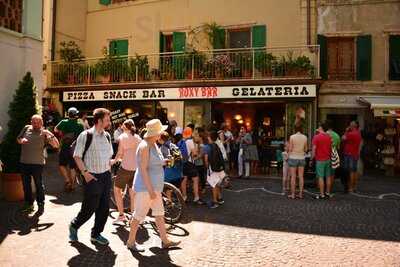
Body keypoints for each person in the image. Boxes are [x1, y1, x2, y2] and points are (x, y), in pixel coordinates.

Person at [126, 119, 180, 251]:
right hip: (146, 188)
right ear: (155, 133)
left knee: (159, 214)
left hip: (154, 188)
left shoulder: (153, 144)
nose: (162, 133)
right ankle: (131, 242)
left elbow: (154, 162)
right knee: (138, 215)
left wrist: (164, 161)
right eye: (160, 131)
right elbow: (143, 169)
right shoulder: (145, 146)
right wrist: (150, 189)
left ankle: (165, 241)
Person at [69, 108, 114, 245]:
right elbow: (77, 156)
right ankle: (74, 225)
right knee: (90, 208)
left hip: (106, 175)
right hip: (92, 176)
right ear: (99, 120)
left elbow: (109, 154)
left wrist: (111, 164)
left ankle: (96, 234)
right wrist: (85, 173)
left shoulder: (107, 135)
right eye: (107, 119)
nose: (109, 122)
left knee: (104, 208)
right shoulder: (85, 135)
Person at [17, 115, 59, 213]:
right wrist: (21, 141)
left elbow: (56, 145)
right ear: (31, 122)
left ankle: (41, 202)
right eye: (33, 122)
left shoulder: (44, 132)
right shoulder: (26, 128)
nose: (35, 124)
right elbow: (18, 138)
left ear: (42, 123)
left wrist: (49, 134)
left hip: (37, 163)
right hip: (24, 162)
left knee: (38, 183)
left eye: (37, 122)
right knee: (26, 184)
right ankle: (29, 203)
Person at [111, 119, 142, 224]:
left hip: (125, 168)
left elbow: (120, 153)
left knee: (116, 189)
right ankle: (134, 217)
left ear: (124, 127)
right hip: (136, 169)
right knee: (133, 193)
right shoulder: (138, 138)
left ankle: (121, 215)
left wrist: (114, 161)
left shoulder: (122, 137)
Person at [55, 107, 84, 192]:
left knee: (62, 164)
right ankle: (73, 185)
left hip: (65, 146)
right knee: (73, 167)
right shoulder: (80, 124)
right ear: (76, 115)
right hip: (75, 147)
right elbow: (82, 137)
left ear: (68, 114)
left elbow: (55, 129)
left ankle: (67, 181)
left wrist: (61, 132)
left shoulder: (64, 122)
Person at [179, 127, 203, 204]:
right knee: (195, 180)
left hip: (183, 163)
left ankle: (184, 196)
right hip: (190, 163)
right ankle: (196, 197)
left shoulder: (181, 141)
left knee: (184, 180)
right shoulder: (190, 141)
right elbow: (195, 153)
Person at [204, 131, 226, 209]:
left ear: (209, 137)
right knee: (217, 183)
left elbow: (206, 160)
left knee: (213, 185)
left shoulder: (208, 147)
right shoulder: (217, 145)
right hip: (218, 168)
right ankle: (220, 198)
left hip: (212, 168)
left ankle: (215, 201)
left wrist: (207, 168)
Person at [311, 122, 333, 199]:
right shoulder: (329, 137)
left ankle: (321, 194)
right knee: (328, 176)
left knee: (320, 177)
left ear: (321, 128)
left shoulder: (316, 137)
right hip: (328, 159)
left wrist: (311, 158)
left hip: (320, 159)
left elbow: (314, 149)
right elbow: (331, 148)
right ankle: (328, 192)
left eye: (319, 126)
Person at [288, 125, 308, 199]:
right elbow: (306, 149)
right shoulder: (305, 137)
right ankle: (300, 194)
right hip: (301, 158)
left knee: (293, 176)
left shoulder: (292, 137)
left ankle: (293, 194)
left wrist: (288, 156)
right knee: (301, 177)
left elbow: (290, 149)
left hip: (293, 157)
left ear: (295, 129)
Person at [342, 121, 362, 193]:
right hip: (355, 154)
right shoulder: (358, 133)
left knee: (350, 171)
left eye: (351, 124)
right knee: (354, 171)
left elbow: (343, 138)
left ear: (353, 126)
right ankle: (354, 187)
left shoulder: (350, 134)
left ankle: (350, 187)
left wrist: (346, 131)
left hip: (349, 154)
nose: (350, 125)